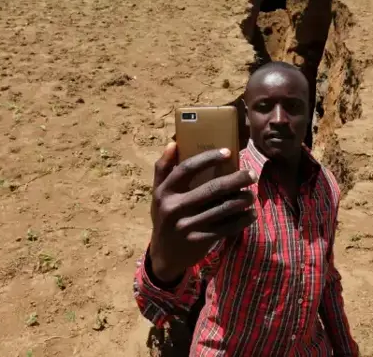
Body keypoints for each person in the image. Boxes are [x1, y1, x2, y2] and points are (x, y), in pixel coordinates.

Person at [133, 61, 359, 356]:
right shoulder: (229, 187)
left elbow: (326, 277)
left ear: (309, 112)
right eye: (265, 106)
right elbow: (172, 299)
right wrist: (163, 265)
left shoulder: (326, 185)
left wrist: (346, 348)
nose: (279, 118)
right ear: (248, 115)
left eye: (293, 106)